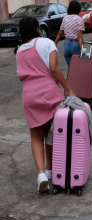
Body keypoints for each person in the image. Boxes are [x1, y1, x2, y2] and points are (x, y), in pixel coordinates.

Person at [16, 17, 75, 193]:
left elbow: (21, 76)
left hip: (29, 96)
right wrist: (68, 89)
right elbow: (54, 68)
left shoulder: (19, 50)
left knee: (36, 136)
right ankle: (51, 170)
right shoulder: (47, 43)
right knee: (52, 133)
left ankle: (41, 174)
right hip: (49, 93)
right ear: (36, 28)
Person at [55, 0, 85, 66]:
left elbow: (60, 33)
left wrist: (55, 43)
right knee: (77, 67)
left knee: (71, 68)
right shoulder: (80, 20)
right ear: (78, 9)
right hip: (75, 45)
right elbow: (80, 36)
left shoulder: (65, 18)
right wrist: (82, 48)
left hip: (66, 45)